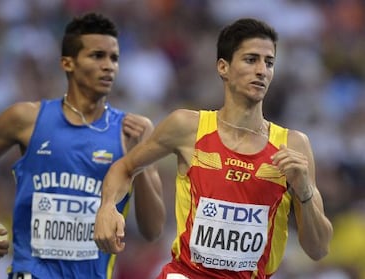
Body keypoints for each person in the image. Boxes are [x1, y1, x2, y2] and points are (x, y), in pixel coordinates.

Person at [94, 18, 334, 278]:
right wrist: (107, 206)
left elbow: (319, 249)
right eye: (251, 60)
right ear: (224, 67)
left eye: (269, 62)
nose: (262, 71)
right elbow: (125, 167)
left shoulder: (293, 145)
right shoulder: (188, 126)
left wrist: (305, 191)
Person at [0, 12, 166, 279]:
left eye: (114, 58)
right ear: (68, 63)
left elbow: (153, 231)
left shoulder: (132, 132)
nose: (108, 66)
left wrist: (142, 159)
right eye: (97, 56)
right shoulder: (26, 119)